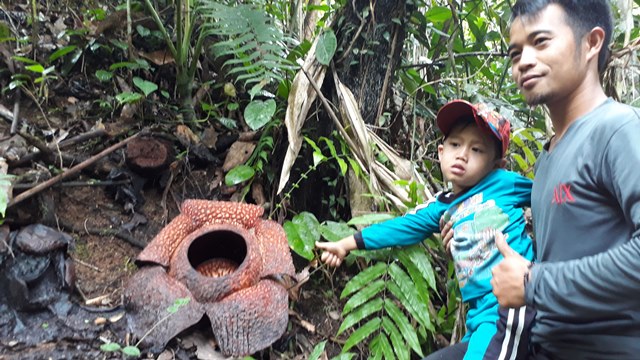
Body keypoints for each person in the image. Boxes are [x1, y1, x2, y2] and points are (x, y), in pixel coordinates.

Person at [317, 100, 536, 360]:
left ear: (496, 165)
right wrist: (346, 244)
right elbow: (401, 227)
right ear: (441, 152)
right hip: (478, 318)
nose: (462, 155)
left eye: (477, 149)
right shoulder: (441, 206)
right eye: (455, 145)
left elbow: (550, 196)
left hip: (510, 307)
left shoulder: (503, 183)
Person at [486, 0, 640, 358]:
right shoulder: (548, 156)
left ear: (591, 43)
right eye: (514, 53)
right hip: (542, 343)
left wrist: (533, 282)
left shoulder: (618, 130)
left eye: (540, 42)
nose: (523, 61)